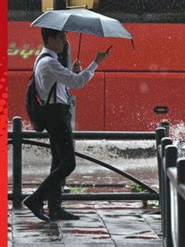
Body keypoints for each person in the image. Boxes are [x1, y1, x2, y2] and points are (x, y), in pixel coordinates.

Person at [23, 28, 109, 222]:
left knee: (57, 162)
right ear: (51, 39)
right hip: (56, 116)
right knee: (68, 163)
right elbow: (78, 83)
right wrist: (96, 62)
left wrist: (71, 73)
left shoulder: (43, 60)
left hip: (55, 113)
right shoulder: (50, 62)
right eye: (62, 38)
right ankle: (36, 199)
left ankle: (55, 208)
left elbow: (62, 86)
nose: (65, 41)